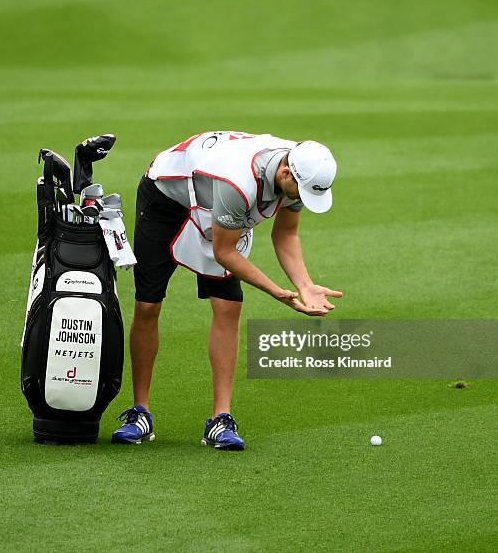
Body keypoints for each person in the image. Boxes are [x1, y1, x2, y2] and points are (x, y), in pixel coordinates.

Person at [112, 131, 342, 450]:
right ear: (286, 173)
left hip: (215, 199)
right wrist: (277, 292)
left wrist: (304, 285)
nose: (299, 198)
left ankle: (220, 420)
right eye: (299, 192)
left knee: (228, 307)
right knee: (148, 306)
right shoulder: (241, 183)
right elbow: (225, 252)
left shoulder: (302, 168)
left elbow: (286, 235)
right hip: (166, 195)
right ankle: (140, 413)